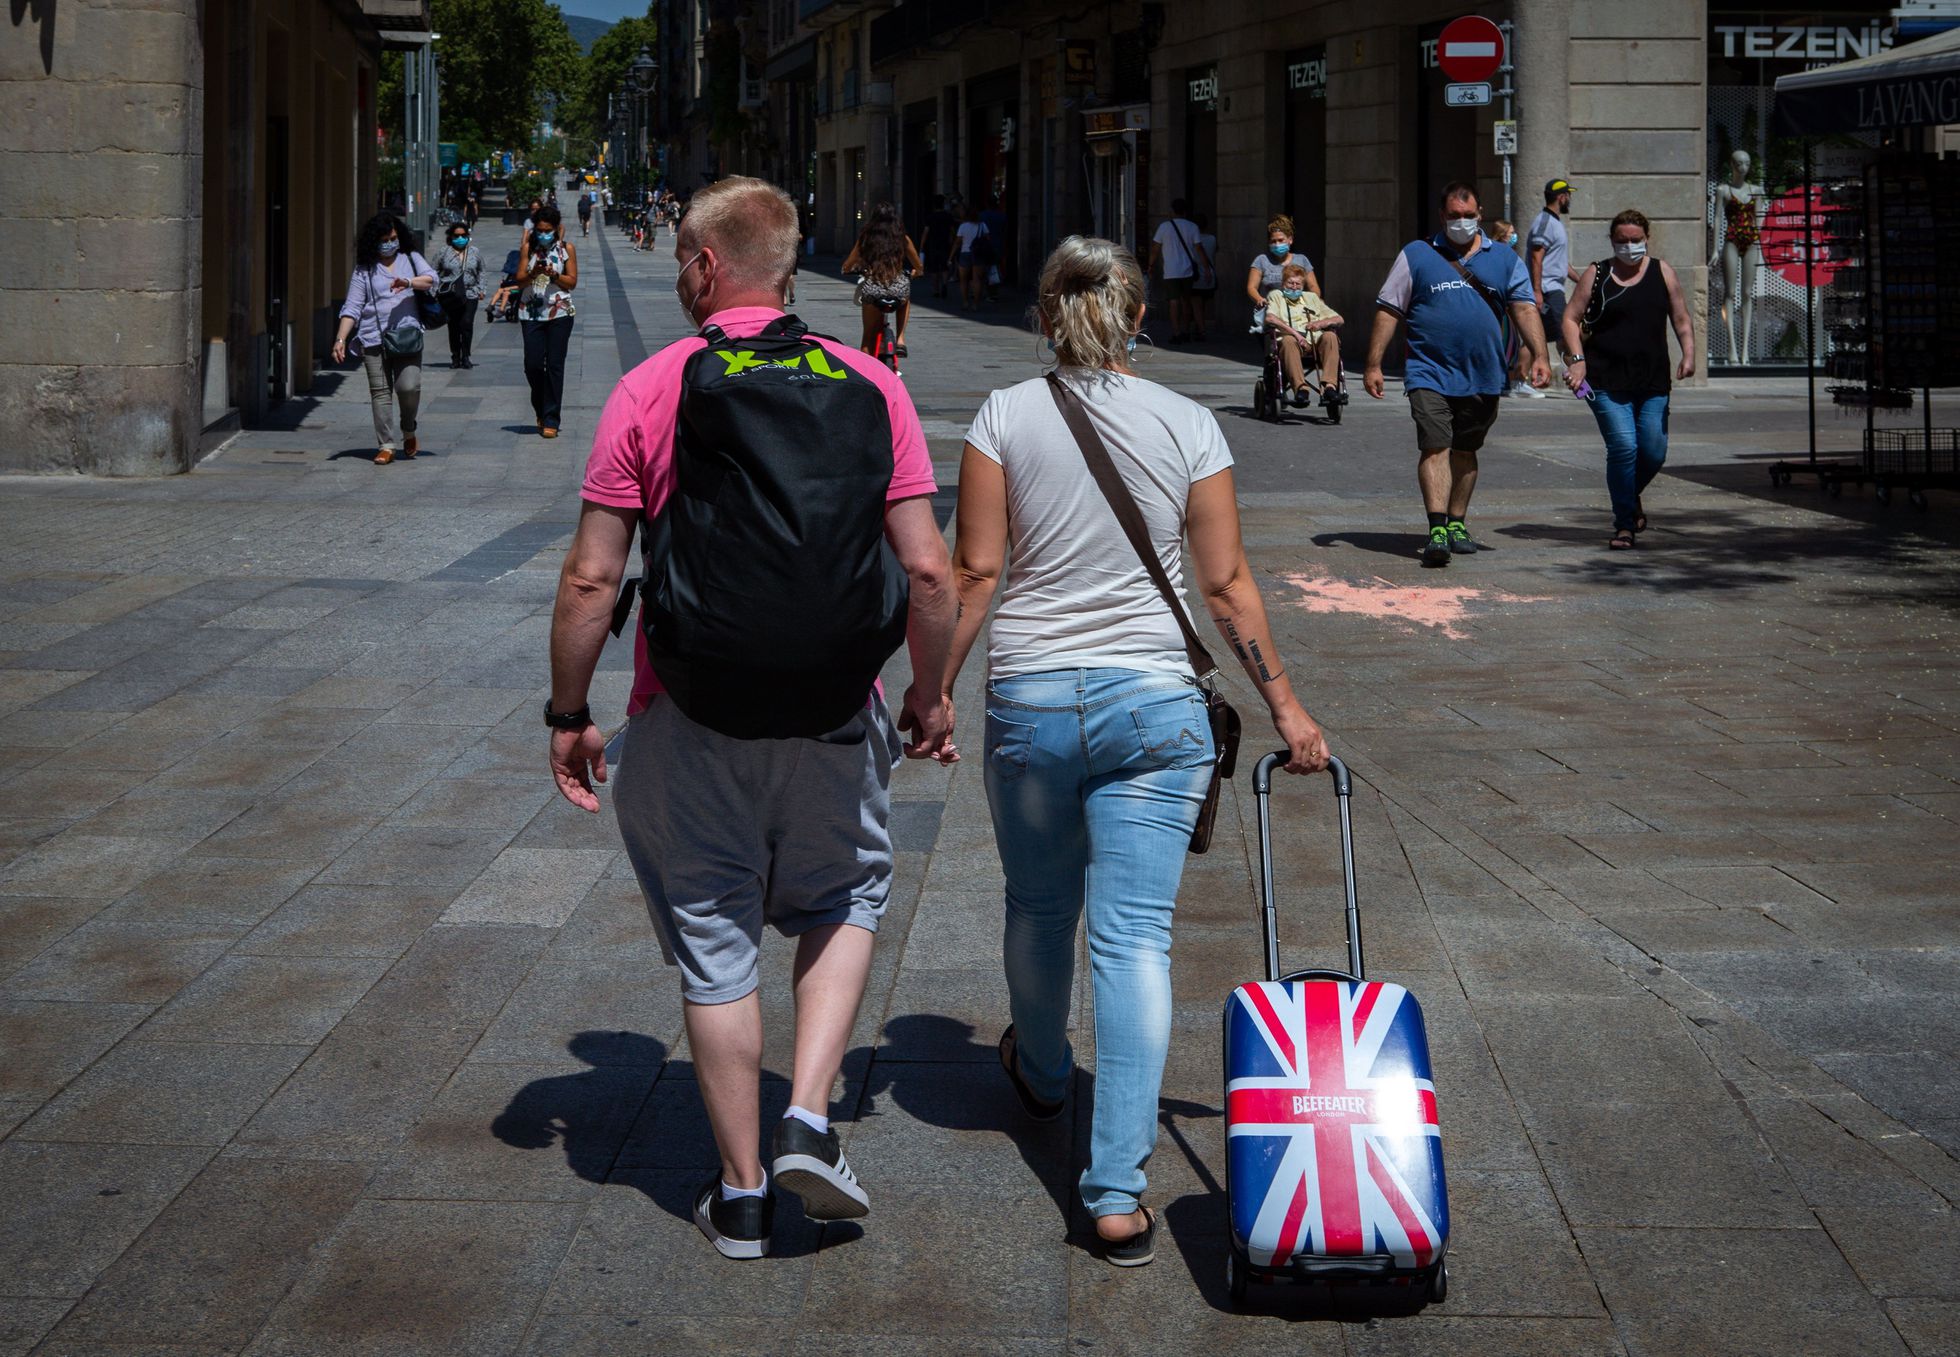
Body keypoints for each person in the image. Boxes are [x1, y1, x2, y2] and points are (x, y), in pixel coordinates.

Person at [545, 176, 956, 1262]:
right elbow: (926, 570)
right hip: (834, 703)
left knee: (714, 932)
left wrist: (568, 709)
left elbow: (593, 581)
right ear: (781, 268)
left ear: (703, 267)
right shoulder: (870, 381)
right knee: (849, 890)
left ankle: (737, 1194)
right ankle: (810, 1114)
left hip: (688, 709)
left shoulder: (650, 387)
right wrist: (930, 692)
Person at [939, 234, 1331, 1268]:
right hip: (1156, 705)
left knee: (1036, 905)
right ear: (1138, 317)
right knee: (1135, 940)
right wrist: (1284, 705)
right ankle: (1113, 1192)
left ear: (1044, 317)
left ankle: (1044, 1073)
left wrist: (929, 689)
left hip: (1029, 697)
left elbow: (975, 570)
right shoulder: (1189, 421)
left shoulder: (1001, 415)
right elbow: (1226, 584)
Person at [1363, 180, 1550, 567]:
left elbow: (1525, 309)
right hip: (1428, 370)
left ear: (1480, 215)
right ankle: (1436, 530)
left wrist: (1541, 355)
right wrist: (1374, 363)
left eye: (1468, 216)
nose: (1461, 222)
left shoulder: (1503, 258)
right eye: (1454, 216)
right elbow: (1389, 309)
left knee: (1466, 450)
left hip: (1483, 373)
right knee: (1435, 445)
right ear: (1441, 216)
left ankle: (1457, 522)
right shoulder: (1416, 254)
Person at [1561, 209, 1696, 550]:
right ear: (1612, 240)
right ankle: (1624, 525)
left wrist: (1689, 353)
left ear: (1646, 238)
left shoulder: (1662, 271)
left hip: (1652, 380)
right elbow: (1570, 318)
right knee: (1623, 448)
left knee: (1653, 451)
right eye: (1622, 241)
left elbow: (1680, 317)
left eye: (1636, 240)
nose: (1630, 246)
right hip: (1604, 379)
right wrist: (1577, 362)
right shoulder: (1598, 273)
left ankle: (1629, 494)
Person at [331, 212, 435, 466]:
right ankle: (386, 444)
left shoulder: (411, 258)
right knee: (380, 393)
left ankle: (408, 428)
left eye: (394, 238)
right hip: (372, 338)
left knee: (409, 387)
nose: (390, 243)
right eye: (385, 239)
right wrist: (340, 339)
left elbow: (432, 279)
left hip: (406, 335)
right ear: (374, 241)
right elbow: (352, 307)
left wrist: (408, 282)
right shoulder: (364, 269)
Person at [516, 203, 578, 438]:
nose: (543, 234)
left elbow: (572, 282)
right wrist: (533, 273)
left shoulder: (566, 249)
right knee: (532, 364)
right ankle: (541, 406)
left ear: (556, 228)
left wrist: (555, 275)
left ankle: (551, 417)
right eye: (539, 230)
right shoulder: (527, 249)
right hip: (531, 312)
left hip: (559, 312)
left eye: (547, 230)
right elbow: (519, 281)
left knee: (554, 365)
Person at [842, 200, 923, 359]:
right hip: (897, 288)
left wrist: (854, 269)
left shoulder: (866, 238)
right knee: (905, 298)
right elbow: (918, 266)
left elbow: (847, 266)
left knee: (868, 338)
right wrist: (914, 273)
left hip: (873, 287)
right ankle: (900, 339)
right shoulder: (903, 239)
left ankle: (867, 373)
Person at [1264, 260, 1345, 410]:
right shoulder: (1276, 296)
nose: (1294, 287)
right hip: (1291, 343)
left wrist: (1320, 324)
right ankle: (1301, 388)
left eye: (1298, 284)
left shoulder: (1311, 298)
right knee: (1288, 341)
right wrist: (1296, 334)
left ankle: (1329, 387)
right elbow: (1270, 318)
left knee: (1330, 337)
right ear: (1283, 284)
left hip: (1314, 342)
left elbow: (1339, 319)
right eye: (1290, 283)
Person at [1526, 178, 1580, 398]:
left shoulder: (1555, 223)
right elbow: (1536, 256)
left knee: (1534, 335)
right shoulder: (1545, 223)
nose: (1569, 199)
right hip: (1548, 290)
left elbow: (1558, 262)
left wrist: (1582, 279)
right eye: (1569, 195)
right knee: (1565, 338)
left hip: (1552, 288)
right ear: (1562, 196)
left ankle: (1517, 379)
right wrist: (1537, 291)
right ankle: (1582, 385)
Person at [1244, 214, 1320, 336]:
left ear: (1290, 240)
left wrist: (1309, 302)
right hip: (1272, 314)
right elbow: (1251, 287)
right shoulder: (1262, 261)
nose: (1277, 244)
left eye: (1281, 240)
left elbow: (1313, 287)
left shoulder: (1302, 260)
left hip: (1297, 312)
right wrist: (1259, 299)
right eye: (1273, 241)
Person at [1148, 199, 1211, 343]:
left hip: (1170, 271)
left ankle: (1176, 333)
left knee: (1173, 302)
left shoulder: (1164, 227)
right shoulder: (1192, 227)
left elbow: (1155, 248)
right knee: (1186, 301)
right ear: (1185, 212)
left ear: (1172, 211)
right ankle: (1186, 330)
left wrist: (1150, 265)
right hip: (1187, 271)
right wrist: (1206, 268)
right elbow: (1199, 249)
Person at [430, 219, 485, 370]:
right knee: (453, 325)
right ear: (451, 237)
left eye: (463, 235)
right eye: (456, 235)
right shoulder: (444, 252)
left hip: (470, 293)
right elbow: (432, 271)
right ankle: (455, 355)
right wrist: (434, 290)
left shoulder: (475, 252)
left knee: (466, 323)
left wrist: (481, 289)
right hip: (451, 294)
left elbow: (481, 270)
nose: (460, 238)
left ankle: (466, 355)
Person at [950, 202, 990, 311]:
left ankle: (965, 302)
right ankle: (976, 304)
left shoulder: (963, 226)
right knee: (977, 279)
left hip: (965, 253)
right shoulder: (983, 225)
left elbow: (957, 242)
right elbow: (987, 239)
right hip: (978, 254)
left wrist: (951, 256)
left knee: (964, 280)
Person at [922, 195, 957, 298]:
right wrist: (952, 240)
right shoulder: (948, 216)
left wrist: (922, 245)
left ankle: (936, 290)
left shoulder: (930, 217)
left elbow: (926, 232)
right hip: (945, 244)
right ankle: (945, 284)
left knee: (934, 268)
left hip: (933, 244)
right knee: (944, 267)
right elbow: (952, 231)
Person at [1191, 211, 1219, 339]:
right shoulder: (1212, 238)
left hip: (1196, 275)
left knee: (1196, 304)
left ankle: (1201, 330)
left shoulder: (1192, 240)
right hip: (1210, 275)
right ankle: (1200, 326)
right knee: (1203, 304)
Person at [980, 195, 1008, 302]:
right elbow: (1005, 232)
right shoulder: (1002, 216)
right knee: (994, 269)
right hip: (998, 244)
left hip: (984, 246)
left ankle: (988, 292)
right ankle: (994, 292)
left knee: (984, 269)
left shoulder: (982, 215)